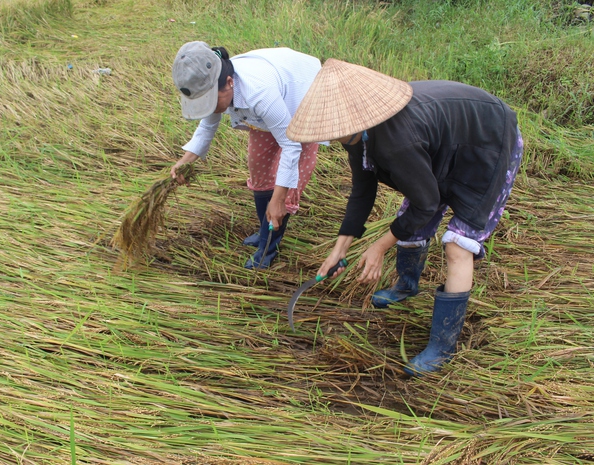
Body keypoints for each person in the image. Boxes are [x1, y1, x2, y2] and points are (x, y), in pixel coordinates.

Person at [286, 59, 523, 376]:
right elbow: (362, 191)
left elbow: (426, 204)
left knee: (457, 247)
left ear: (353, 117)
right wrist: (338, 251)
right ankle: (407, 286)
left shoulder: (398, 141)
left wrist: (379, 247)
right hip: (446, 146)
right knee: (410, 223)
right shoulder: (359, 135)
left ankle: (442, 346)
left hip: (488, 147)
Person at [170, 41, 322, 269]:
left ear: (230, 83)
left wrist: (279, 199)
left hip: (303, 99)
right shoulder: (218, 84)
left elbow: (291, 146)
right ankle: (264, 230)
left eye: (210, 102)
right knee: (259, 168)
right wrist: (184, 162)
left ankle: (268, 247)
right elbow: (207, 127)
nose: (209, 108)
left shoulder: (258, 93)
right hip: (268, 110)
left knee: (287, 187)